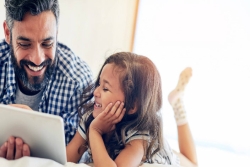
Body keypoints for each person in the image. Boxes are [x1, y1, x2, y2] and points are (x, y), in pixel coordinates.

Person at [66, 52, 198, 167]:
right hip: (157, 147)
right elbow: (66, 159)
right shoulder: (91, 117)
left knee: (193, 164)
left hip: (163, 155)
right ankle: (177, 101)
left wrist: (95, 131)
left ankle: (177, 104)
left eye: (105, 88)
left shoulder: (139, 137)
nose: (96, 92)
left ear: (132, 106)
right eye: (99, 84)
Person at [0, 0, 93, 159]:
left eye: (47, 43)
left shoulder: (78, 83)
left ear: (56, 34)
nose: (37, 59)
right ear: (8, 34)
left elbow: (76, 160)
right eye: (24, 44)